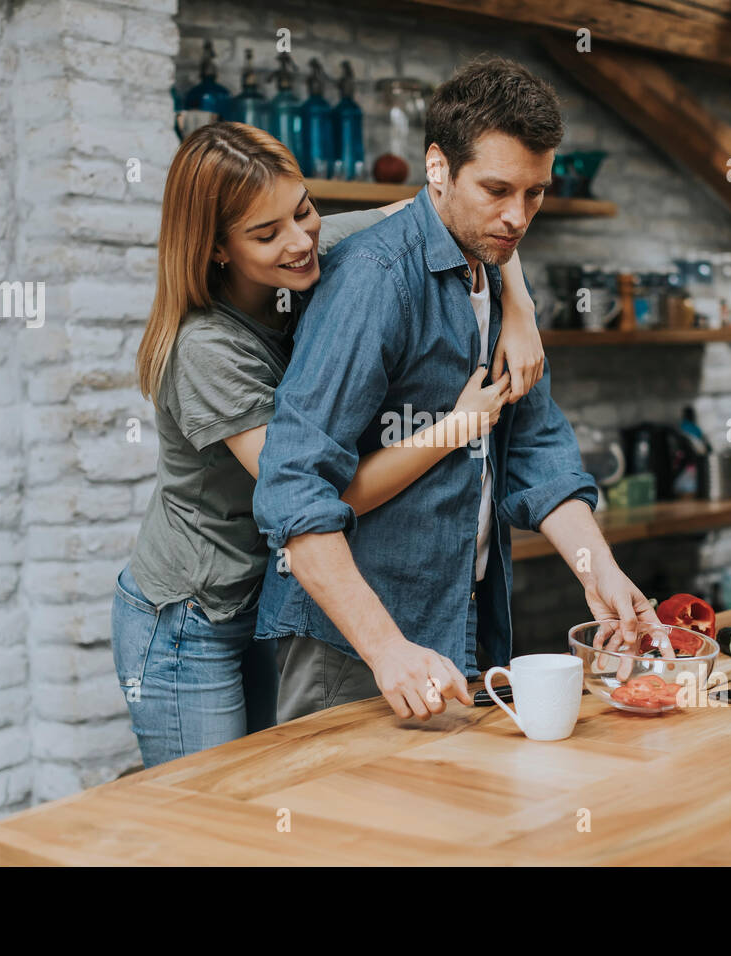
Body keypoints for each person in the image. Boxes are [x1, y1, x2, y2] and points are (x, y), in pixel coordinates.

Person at [112, 121, 547, 768]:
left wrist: (522, 316)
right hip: (190, 618)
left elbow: (465, 220)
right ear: (217, 249)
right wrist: (456, 429)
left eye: (305, 209)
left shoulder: (312, 246)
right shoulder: (207, 350)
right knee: (212, 813)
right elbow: (316, 495)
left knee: (272, 793)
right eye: (266, 234)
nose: (299, 239)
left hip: (270, 594)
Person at [254, 57, 665, 724]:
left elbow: (538, 450)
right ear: (438, 168)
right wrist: (387, 649)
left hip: (462, 616)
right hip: (355, 646)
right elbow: (293, 493)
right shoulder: (376, 282)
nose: (517, 217)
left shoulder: (495, 277)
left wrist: (600, 572)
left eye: (534, 193)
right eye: (497, 189)